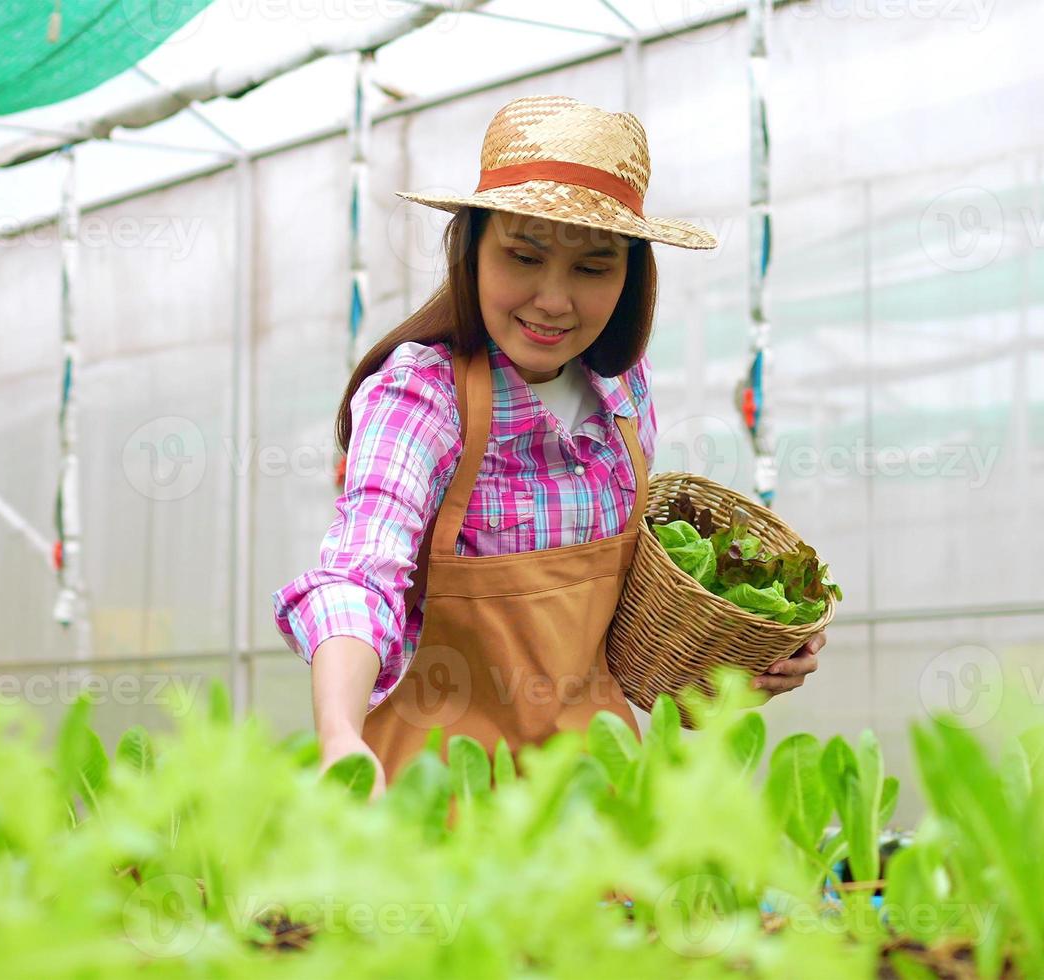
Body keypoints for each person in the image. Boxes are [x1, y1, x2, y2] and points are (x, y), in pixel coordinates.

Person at [272, 94, 825, 800]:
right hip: (442, 791)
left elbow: (623, 637)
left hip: (594, 795)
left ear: (631, 277)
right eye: (524, 256)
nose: (554, 299)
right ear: (471, 250)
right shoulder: (422, 395)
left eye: (593, 268)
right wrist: (341, 734)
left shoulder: (624, 393)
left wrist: (742, 661)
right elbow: (359, 574)